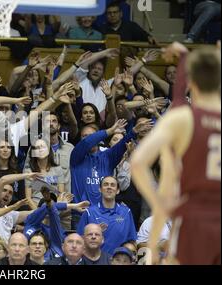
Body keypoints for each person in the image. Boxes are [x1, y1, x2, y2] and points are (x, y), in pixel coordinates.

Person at [131, 43, 221, 265]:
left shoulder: (183, 119)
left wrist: (160, 207)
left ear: (192, 81)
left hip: (194, 218)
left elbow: (138, 163)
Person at [77, 176, 137, 254]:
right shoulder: (89, 212)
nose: (109, 187)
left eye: (112, 185)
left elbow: (132, 240)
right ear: (100, 189)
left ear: (118, 190)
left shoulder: (126, 212)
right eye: (106, 184)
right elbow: (80, 239)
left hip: (119, 261)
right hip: (96, 261)